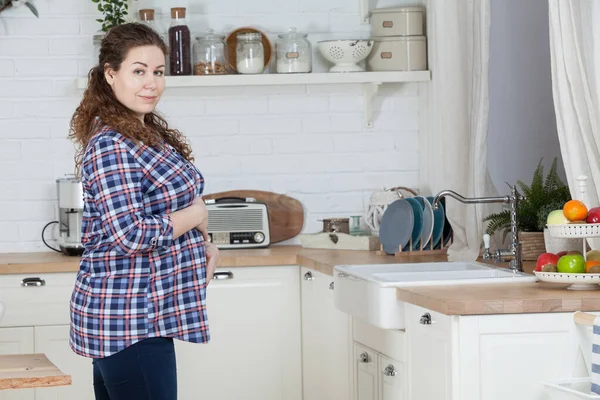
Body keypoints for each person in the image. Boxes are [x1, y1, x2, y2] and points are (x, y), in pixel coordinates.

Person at [67, 22, 219, 400]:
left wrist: (205, 244)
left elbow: (173, 204)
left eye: (158, 72)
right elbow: (131, 234)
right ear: (110, 74)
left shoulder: (144, 133)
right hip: (128, 321)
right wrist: (197, 218)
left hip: (142, 316)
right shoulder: (112, 145)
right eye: (138, 71)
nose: (151, 83)